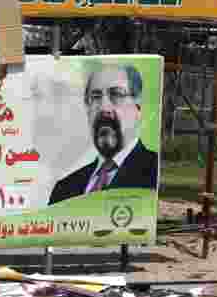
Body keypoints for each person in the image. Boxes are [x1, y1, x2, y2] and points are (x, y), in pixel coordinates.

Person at [48, 65, 159, 205]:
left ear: (138, 107)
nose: (104, 108)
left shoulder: (156, 175)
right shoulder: (64, 189)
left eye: (116, 94)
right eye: (95, 97)